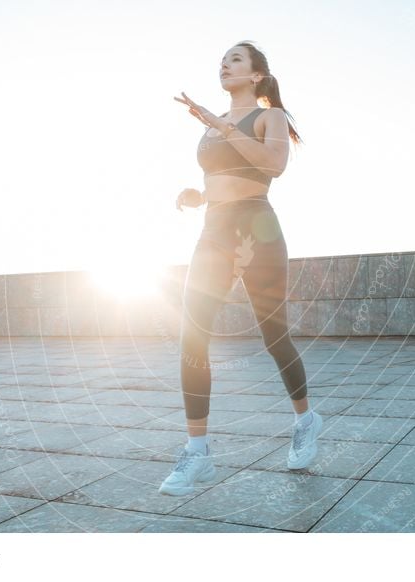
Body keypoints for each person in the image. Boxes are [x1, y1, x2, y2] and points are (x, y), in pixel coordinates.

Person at [159, 41, 322, 496]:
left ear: (255, 75)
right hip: (214, 230)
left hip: (256, 225)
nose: (224, 65)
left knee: (274, 335)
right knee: (193, 334)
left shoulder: (271, 117)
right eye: (221, 60)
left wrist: (216, 123)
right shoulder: (215, 126)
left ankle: (306, 420)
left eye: (234, 59)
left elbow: (272, 165)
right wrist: (200, 195)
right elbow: (224, 178)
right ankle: (198, 453)